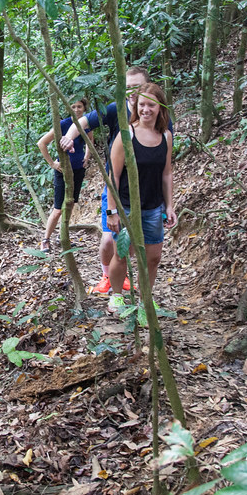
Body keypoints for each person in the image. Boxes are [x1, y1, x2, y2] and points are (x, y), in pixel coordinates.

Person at [59, 66, 152, 295]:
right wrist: (69, 138)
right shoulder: (114, 109)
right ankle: (106, 276)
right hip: (116, 184)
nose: (133, 92)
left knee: (132, 237)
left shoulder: (155, 112)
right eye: (128, 87)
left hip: (144, 187)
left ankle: (123, 276)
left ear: (148, 87)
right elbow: (82, 122)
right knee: (110, 238)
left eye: (138, 87)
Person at [104, 83, 177, 313]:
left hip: (154, 207)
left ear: (160, 107)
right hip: (125, 206)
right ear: (136, 106)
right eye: (142, 104)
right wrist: (112, 211)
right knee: (121, 254)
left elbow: (166, 172)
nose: (146, 109)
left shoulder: (166, 135)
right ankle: (117, 296)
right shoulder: (126, 134)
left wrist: (170, 205)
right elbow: (113, 175)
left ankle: (146, 298)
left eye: (151, 105)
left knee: (153, 257)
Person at [37, 98, 94, 251]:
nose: (76, 109)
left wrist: (87, 157)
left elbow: (90, 140)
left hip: (78, 169)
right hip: (62, 171)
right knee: (58, 209)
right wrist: (52, 163)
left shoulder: (86, 123)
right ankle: (45, 239)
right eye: (73, 106)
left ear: (84, 108)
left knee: (70, 204)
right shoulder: (63, 124)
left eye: (79, 106)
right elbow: (42, 143)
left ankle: (62, 236)